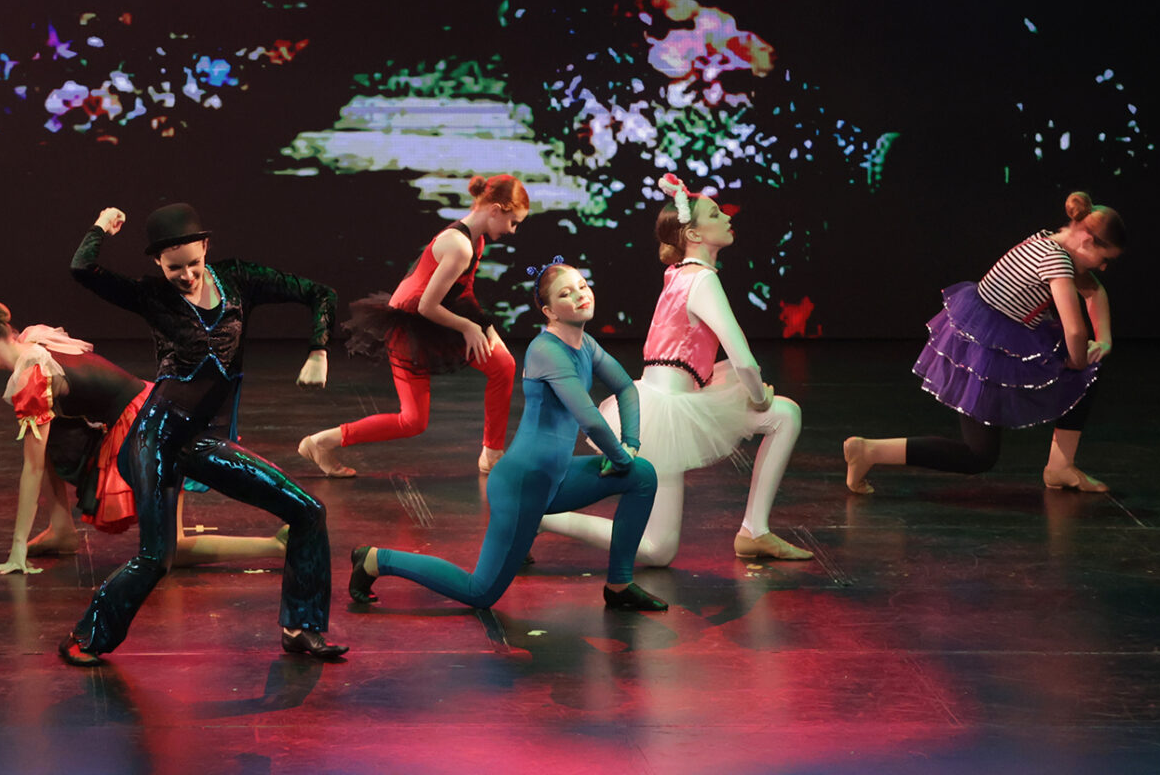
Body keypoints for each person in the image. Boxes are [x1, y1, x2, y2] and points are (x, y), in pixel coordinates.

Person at [59, 203, 345, 666]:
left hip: (204, 442)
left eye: (194, 263)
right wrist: (100, 228)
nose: (187, 275)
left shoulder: (238, 279)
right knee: (157, 558)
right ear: (158, 262)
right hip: (155, 440)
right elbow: (82, 269)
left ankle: (301, 628)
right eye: (174, 267)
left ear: (207, 247)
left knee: (308, 512)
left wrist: (318, 350)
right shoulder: (151, 296)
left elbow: (320, 293)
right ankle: (85, 637)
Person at [349, 262, 665, 613]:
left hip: (556, 478)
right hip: (521, 487)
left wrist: (631, 446)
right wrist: (619, 458)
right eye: (565, 293)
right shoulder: (546, 351)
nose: (580, 295)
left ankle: (619, 585)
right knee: (480, 593)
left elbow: (626, 388)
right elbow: (589, 418)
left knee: (641, 475)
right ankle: (375, 559)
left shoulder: (586, 345)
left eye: (582, 286)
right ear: (549, 311)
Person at [538, 174, 813, 564]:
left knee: (785, 414)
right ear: (694, 235)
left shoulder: (679, 274)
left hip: (674, 397)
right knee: (657, 549)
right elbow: (743, 358)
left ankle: (755, 530)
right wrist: (758, 396)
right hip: (665, 411)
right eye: (715, 214)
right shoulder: (701, 280)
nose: (727, 218)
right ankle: (540, 516)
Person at [0, 302, 287, 574]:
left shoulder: (32, 376)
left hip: (154, 425)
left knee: (169, 550)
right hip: (149, 408)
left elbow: (32, 469)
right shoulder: (34, 341)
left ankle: (279, 545)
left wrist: (17, 550)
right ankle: (61, 529)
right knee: (43, 434)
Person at [845, 191, 1124, 494]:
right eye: (1104, 259)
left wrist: (1104, 342)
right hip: (988, 352)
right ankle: (869, 451)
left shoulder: (1048, 240)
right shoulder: (1057, 261)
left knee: (1086, 372)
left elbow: (1094, 292)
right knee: (979, 454)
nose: (1103, 267)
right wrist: (1078, 362)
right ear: (1087, 241)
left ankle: (1060, 466)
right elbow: (1075, 332)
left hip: (987, 339)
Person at [299, 174, 528, 478]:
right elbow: (425, 306)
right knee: (412, 422)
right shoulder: (459, 245)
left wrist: (486, 327)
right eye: (513, 222)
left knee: (503, 365)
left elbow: (463, 292)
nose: (513, 230)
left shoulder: (476, 240)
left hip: (435, 320)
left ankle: (492, 453)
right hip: (410, 327)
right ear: (496, 210)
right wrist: (467, 327)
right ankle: (320, 442)